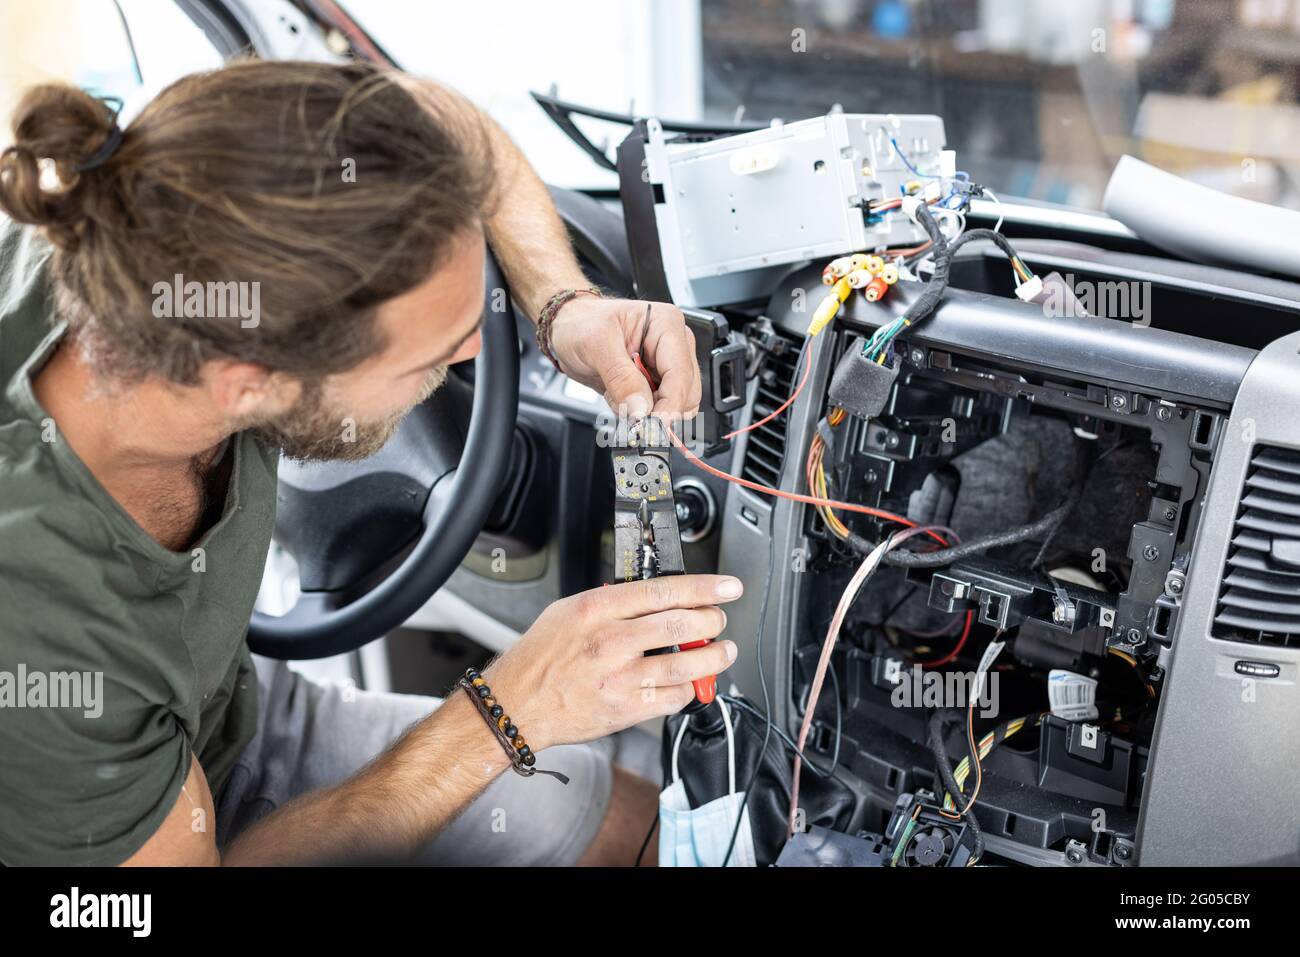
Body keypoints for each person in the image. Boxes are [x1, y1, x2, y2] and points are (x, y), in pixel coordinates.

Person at [0, 59, 741, 866]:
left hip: (217, 714)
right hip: (113, 829)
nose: (477, 351)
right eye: (434, 357)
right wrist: (511, 709)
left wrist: (565, 308)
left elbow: (459, 141)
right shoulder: (37, 613)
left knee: (627, 833)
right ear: (250, 384)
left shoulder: (161, 208)